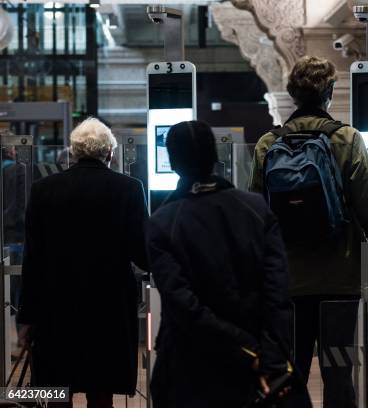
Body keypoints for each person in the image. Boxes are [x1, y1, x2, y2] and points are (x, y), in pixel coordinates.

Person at [250, 56, 368, 407]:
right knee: (338, 370)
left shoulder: (268, 144)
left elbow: (256, 214)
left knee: (290, 370)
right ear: (329, 91)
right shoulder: (346, 139)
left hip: (288, 282)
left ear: (293, 94)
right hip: (339, 280)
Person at [147, 121, 305, 407]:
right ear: (214, 155)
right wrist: (265, 354)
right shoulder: (256, 209)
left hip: (188, 370)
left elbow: (183, 306)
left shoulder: (162, 223)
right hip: (252, 376)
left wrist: (247, 349)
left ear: (171, 161)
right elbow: (278, 293)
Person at [18, 117, 149, 408]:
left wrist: (26, 316)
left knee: (57, 389)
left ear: (73, 153)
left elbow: (33, 258)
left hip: (56, 305)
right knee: (101, 390)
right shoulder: (129, 188)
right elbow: (142, 252)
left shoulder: (43, 190)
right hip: (109, 306)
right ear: (110, 153)